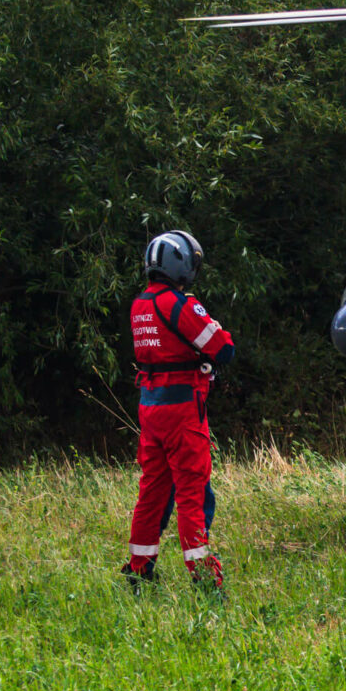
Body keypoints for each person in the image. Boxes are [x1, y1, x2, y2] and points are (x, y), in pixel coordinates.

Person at [122, 230, 235, 595]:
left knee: (152, 492)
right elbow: (221, 348)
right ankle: (205, 580)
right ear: (181, 264)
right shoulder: (177, 304)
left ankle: (139, 573)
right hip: (183, 411)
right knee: (193, 494)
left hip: (150, 409)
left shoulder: (139, 305)